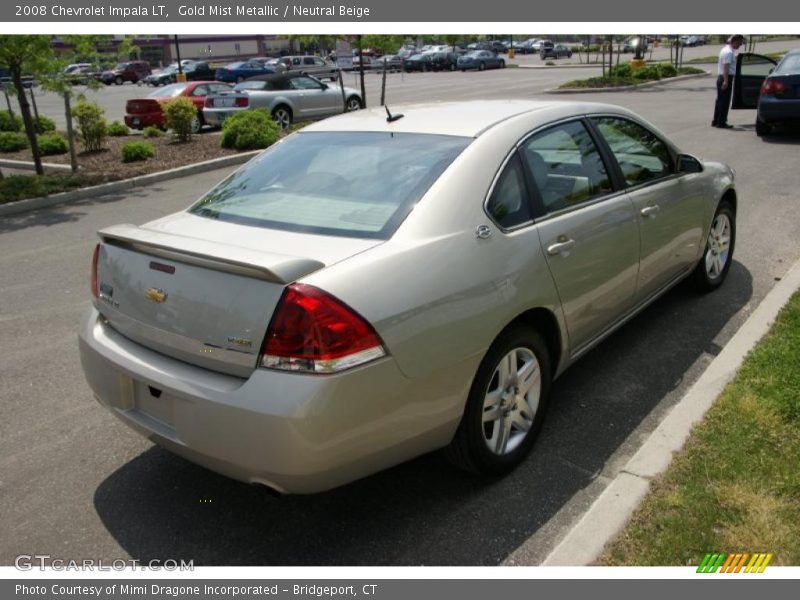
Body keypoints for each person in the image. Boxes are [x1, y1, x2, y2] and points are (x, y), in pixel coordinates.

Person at [712, 34, 746, 128]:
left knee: (720, 100)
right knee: (724, 101)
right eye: (739, 43)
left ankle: (716, 120)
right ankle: (721, 122)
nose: (740, 45)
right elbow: (726, 68)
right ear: (734, 41)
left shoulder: (725, 50)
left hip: (722, 77)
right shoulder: (728, 53)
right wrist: (726, 81)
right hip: (725, 77)